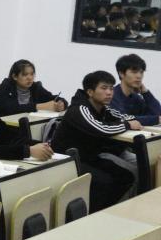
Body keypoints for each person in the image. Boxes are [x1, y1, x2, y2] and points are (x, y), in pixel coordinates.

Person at [51, 71, 140, 211]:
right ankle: (94, 214)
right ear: (90, 92)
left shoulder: (104, 108)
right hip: (67, 160)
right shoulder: (79, 109)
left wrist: (136, 121)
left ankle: (110, 211)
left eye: (111, 88)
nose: (109, 93)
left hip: (89, 156)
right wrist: (127, 125)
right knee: (105, 181)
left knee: (126, 176)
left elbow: (126, 117)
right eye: (104, 88)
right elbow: (101, 129)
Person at [0, 59, 67, 117]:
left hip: (28, 125)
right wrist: (39, 106)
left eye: (32, 74)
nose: (30, 78)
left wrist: (62, 103)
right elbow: (9, 108)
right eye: (25, 74)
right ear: (15, 76)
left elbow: (52, 98)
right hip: (7, 127)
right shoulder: (6, 86)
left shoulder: (35, 87)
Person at [111, 53, 161, 126]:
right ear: (121, 73)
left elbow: (157, 113)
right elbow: (123, 118)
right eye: (134, 72)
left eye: (141, 72)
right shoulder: (111, 95)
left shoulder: (136, 98)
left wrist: (146, 93)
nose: (139, 76)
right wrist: (155, 120)